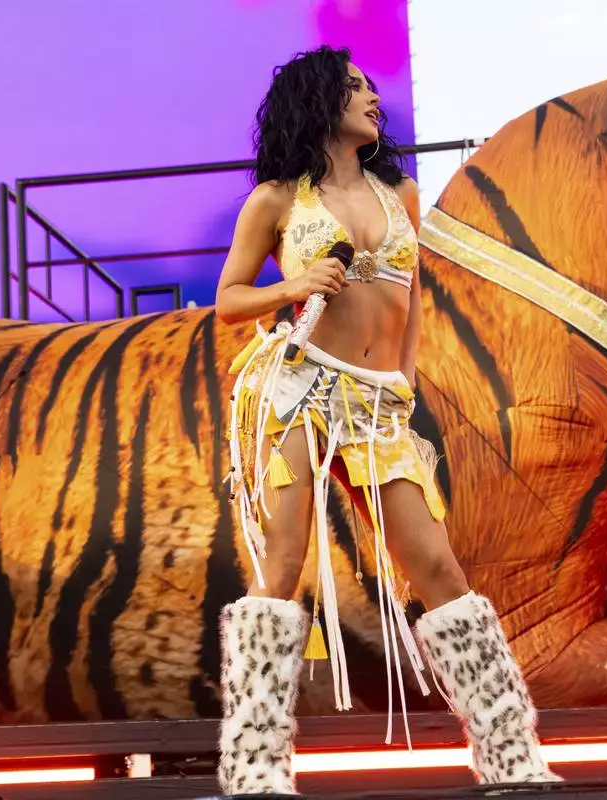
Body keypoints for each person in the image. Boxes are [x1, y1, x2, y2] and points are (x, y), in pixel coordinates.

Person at [213, 46, 561, 795]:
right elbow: (228, 297)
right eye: (356, 88)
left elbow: (414, 301)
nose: (374, 98)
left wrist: (403, 376)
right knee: (282, 564)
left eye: (374, 87)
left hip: (375, 401)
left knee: (436, 564)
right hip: (301, 387)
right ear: (318, 102)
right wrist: (297, 283)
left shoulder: (399, 193)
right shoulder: (276, 201)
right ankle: (253, 766)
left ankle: (510, 754)